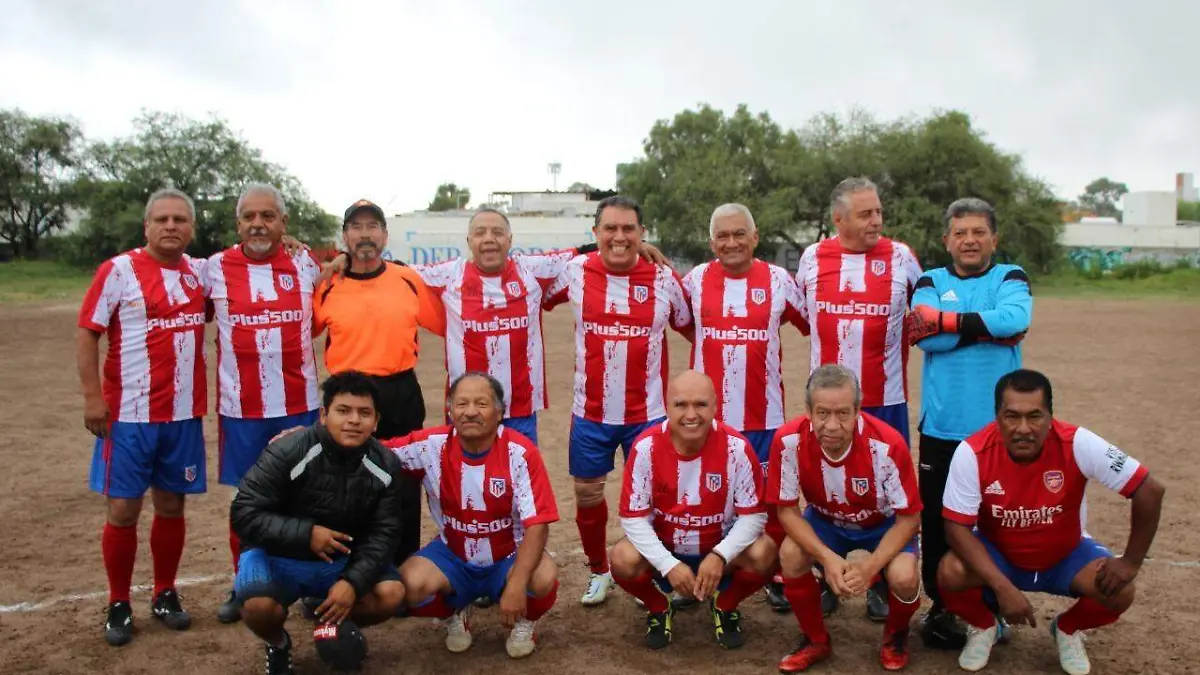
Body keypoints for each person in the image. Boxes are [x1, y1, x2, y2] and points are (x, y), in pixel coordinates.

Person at [937, 369, 1165, 675]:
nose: (1023, 429)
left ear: (1050, 416)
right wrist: (1002, 587)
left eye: (1035, 416)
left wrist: (1131, 562)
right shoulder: (972, 452)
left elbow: (1149, 489)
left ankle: (1067, 629)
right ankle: (984, 625)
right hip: (1000, 557)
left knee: (1122, 589)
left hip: (1065, 556)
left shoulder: (1078, 442)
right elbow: (955, 529)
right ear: (996, 416)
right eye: (1011, 416)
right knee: (950, 572)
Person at [400, 207, 665, 444]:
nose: (489, 239)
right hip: (465, 410)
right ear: (469, 241)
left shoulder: (532, 270)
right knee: (466, 484)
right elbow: (397, 272)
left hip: (520, 410)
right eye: (480, 233)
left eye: (498, 232)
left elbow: (582, 252)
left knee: (520, 487)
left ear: (510, 240)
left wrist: (636, 245)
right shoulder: (448, 275)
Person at [544, 195, 694, 606]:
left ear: (642, 234)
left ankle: (655, 570)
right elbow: (529, 287)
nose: (619, 236)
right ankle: (598, 570)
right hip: (590, 412)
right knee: (589, 494)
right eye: (610, 228)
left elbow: (695, 327)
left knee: (658, 496)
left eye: (629, 228)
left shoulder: (663, 278)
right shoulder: (575, 271)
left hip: (648, 414)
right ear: (595, 235)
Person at [77, 187, 208, 646]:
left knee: (172, 505)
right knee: (123, 508)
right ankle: (118, 602)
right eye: (162, 219)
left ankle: (164, 592)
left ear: (191, 228)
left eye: (180, 219)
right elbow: (87, 332)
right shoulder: (118, 271)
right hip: (128, 416)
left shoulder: (200, 273)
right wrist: (93, 398)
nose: (171, 226)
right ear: (147, 226)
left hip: (182, 416)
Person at [793, 176, 924, 619]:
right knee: (821, 488)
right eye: (866, 214)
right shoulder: (812, 259)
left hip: (885, 399)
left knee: (887, 498)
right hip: (828, 404)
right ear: (838, 219)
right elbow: (796, 312)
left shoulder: (902, 258)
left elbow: (924, 315)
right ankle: (820, 574)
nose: (877, 221)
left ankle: (884, 582)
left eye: (879, 212)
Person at [908, 197, 1034, 650]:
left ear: (993, 239)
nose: (970, 240)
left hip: (999, 432)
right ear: (947, 240)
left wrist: (949, 323)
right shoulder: (930, 279)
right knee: (939, 525)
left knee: (996, 523)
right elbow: (925, 337)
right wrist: (987, 330)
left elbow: (1016, 318)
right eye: (960, 233)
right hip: (942, 429)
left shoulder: (1009, 276)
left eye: (979, 231)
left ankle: (991, 607)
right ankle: (943, 609)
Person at [204, 183, 327, 624]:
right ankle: (245, 582)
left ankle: (313, 583)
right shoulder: (213, 268)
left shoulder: (303, 262)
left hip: (299, 404)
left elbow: (338, 274)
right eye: (249, 216)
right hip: (242, 410)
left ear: (283, 222)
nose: (258, 224)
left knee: (309, 495)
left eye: (268, 216)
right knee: (248, 499)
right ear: (238, 223)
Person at [230, 371, 407, 675]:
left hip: (341, 560)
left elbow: (384, 534)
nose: (354, 420)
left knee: (391, 593)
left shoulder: (386, 465)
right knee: (257, 606)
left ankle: (326, 622)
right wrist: (306, 534)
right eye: (343, 411)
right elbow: (244, 513)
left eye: (364, 413)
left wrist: (352, 583)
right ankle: (278, 642)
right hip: (279, 555)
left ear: (376, 421)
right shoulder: (288, 450)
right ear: (324, 415)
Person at [680, 202, 807, 612]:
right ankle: (697, 571)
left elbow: (809, 322)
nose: (731, 243)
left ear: (755, 237)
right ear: (711, 240)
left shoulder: (779, 280)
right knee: (700, 497)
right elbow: (682, 322)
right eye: (722, 236)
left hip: (763, 417)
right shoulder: (696, 280)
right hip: (705, 421)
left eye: (740, 234)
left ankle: (774, 574)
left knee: (771, 501)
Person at [384, 373, 560, 659]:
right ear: (450, 409)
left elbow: (537, 524)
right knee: (406, 587)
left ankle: (525, 623)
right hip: (453, 553)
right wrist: (310, 436)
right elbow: (374, 452)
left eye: (481, 403)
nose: (470, 412)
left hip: (508, 555)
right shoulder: (430, 445)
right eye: (461, 403)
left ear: (500, 412)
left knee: (543, 577)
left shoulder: (520, 452)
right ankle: (454, 612)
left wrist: (516, 584)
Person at [766, 365, 924, 672]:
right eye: (823, 413)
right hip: (826, 521)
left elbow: (910, 518)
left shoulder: (887, 445)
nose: (833, 425)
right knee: (790, 554)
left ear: (858, 411)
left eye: (843, 414)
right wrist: (827, 558)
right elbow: (786, 509)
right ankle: (816, 640)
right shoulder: (788, 441)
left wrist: (871, 567)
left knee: (904, 576)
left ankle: (896, 634)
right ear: (809, 411)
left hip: (883, 524)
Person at [313, 199, 445, 567]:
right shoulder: (329, 284)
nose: (365, 234)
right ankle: (345, 568)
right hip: (348, 394)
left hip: (399, 390)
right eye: (357, 227)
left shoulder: (406, 279)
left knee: (401, 481)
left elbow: (450, 323)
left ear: (385, 235)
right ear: (345, 236)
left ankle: (402, 565)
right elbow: (303, 328)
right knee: (343, 483)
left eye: (373, 226)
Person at [609, 370, 774, 650]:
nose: (691, 414)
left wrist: (720, 556)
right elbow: (633, 519)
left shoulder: (737, 448)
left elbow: (754, 515)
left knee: (767, 552)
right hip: (667, 550)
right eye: (681, 405)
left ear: (715, 406)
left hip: (721, 552)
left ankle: (725, 604)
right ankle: (659, 606)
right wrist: (668, 564)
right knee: (622, 558)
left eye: (700, 404)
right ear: (666, 406)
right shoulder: (645, 448)